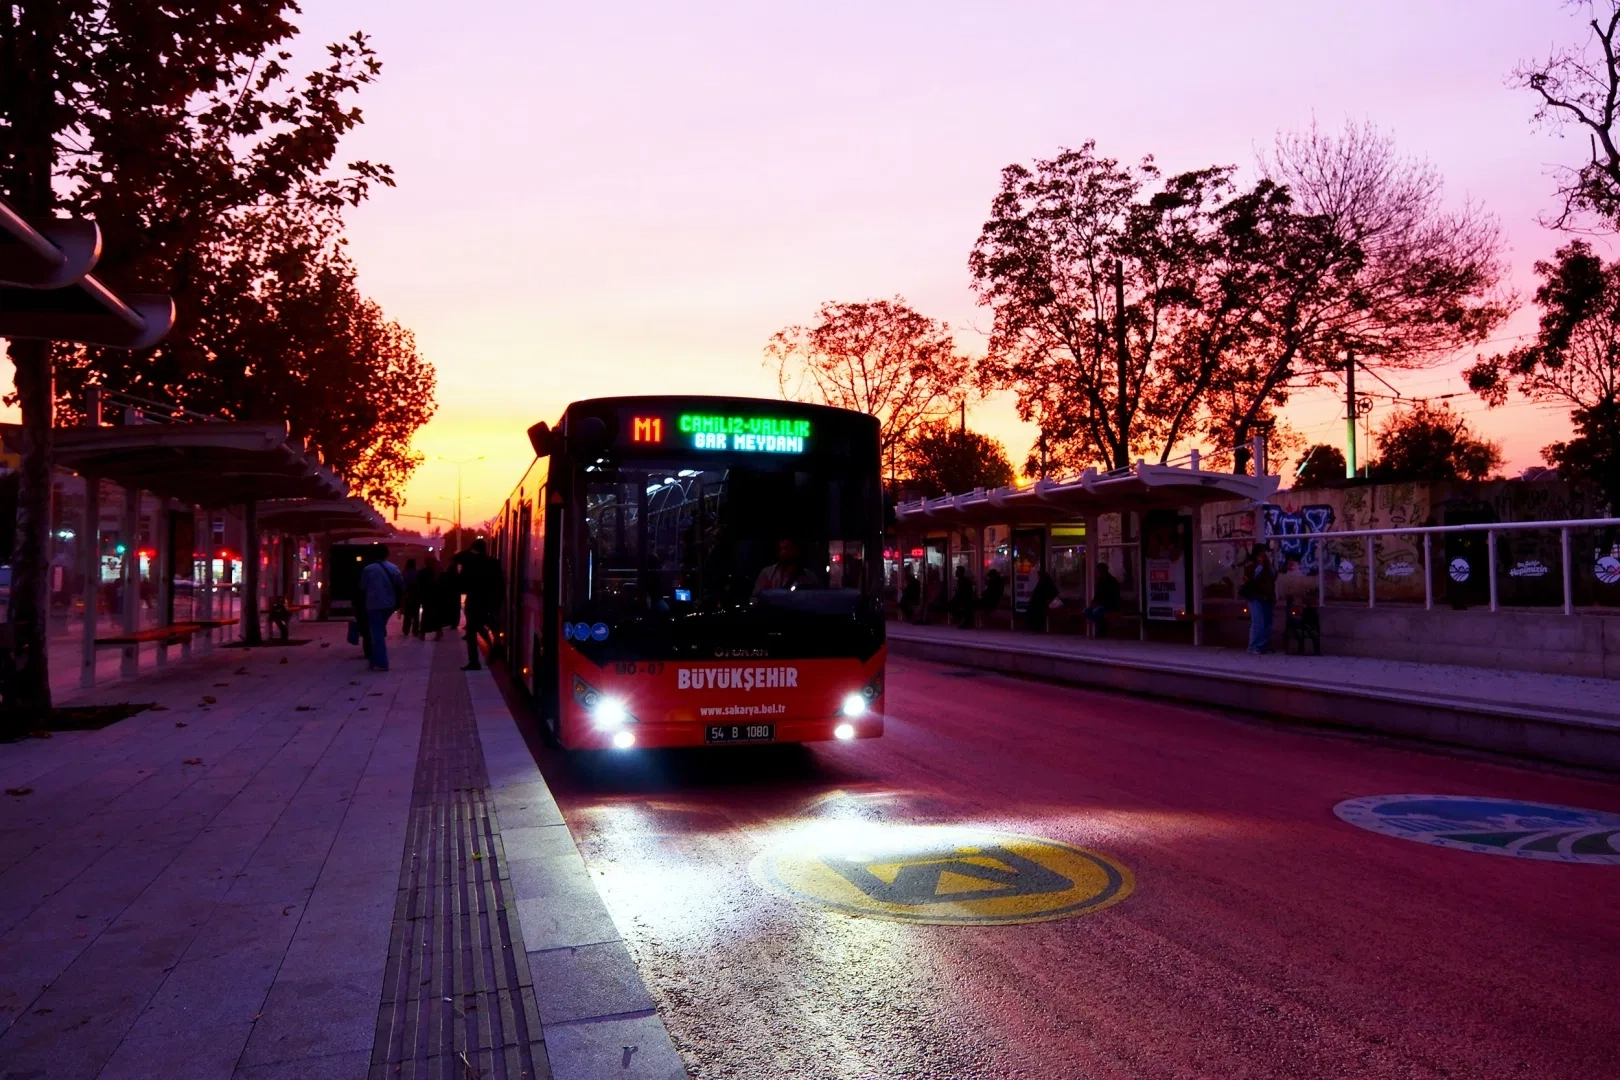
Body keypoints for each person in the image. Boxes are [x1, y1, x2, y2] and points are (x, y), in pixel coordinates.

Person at [455, 538, 504, 671]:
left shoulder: (471, 562)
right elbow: (499, 584)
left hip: (474, 601)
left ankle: (474, 661)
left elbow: (456, 558)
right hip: (489, 602)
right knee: (483, 626)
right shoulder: (493, 563)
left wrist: (468, 551)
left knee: (472, 631)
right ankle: (494, 647)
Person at [358, 547, 405, 671]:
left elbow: (362, 587)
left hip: (374, 604)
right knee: (379, 629)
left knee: (377, 632)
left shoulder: (368, 569)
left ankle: (381, 661)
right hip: (389, 604)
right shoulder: (394, 568)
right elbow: (401, 585)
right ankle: (375, 659)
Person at [1240, 543, 1277, 654]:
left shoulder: (1267, 565)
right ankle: (1253, 646)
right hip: (1255, 596)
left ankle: (1262, 645)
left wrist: (1269, 564)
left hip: (1267, 596)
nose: (1264, 554)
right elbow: (1252, 577)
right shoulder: (1250, 564)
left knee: (1267, 622)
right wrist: (1260, 565)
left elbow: (1274, 576)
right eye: (1262, 552)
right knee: (1258, 621)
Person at [752, 538, 819, 596]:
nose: (783, 552)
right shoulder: (767, 573)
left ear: (797, 550)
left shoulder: (810, 576)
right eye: (781, 549)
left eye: (787, 548)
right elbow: (756, 596)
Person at [1084, 563, 1122, 638]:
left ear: (1103, 571)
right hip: (1100, 605)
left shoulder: (1112, 581)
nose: (1097, 573)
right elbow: (1098, 594)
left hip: (1111, 605)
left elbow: (1112, 597)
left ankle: (1101, 629)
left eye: (1098, 571)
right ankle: (1103, 624)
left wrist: (1098, 603)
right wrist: (1093, 602)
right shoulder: (1100, 581)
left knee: (1096, 611)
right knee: (1087, 611)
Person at [413, 558, 438, 639]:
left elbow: (419, 584)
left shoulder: (422, 572)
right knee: (435, 615)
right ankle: (438, 632)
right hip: (433, 596)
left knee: (425, 615)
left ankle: (423, 633)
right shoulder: (435, 572)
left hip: (425, 596)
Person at [1027, 568, 1059, 633]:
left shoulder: (1042, 583)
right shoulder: (1044, 582)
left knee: (1037, 615)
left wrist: (1047, 600)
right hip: (1040, 604)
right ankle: (1036, 628)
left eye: (1038, 576)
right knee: (1037, 615)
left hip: (1040, 604)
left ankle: (1036, 628)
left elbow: (1040, 594)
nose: (1038, 577)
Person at [400, 558, 421, 638]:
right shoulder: (418, 572)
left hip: (408, 595)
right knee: (416, 614)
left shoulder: (404, 572)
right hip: (416, 595)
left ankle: (406, 630)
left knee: (407, 614)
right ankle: (415, 630)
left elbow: (402, 584)